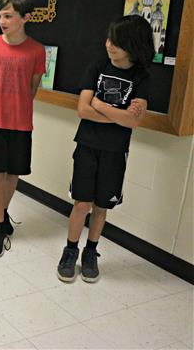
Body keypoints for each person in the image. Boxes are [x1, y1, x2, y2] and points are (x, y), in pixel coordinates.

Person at [57, 15, 154, 283]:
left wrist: (100, 105)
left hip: (115, 151)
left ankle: (91, 252)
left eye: (118, 43)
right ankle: (70, 250)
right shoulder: (97, 66)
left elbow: (133, 121)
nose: (110, 45)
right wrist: (118, 114)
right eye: (110, 39)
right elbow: (82, 110)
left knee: (101, 206)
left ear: (134, 46)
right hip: (87, 145)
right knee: (82, 203)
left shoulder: (140, 77)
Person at [0, 0, 46, 257]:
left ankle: (2, 216)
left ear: (25, 17)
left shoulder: (37, 50)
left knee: (12, 172)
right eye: (0, 16)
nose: (2, 21)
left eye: (8, 15)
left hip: (20, 121)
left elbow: (32, 88)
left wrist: (17, 107)